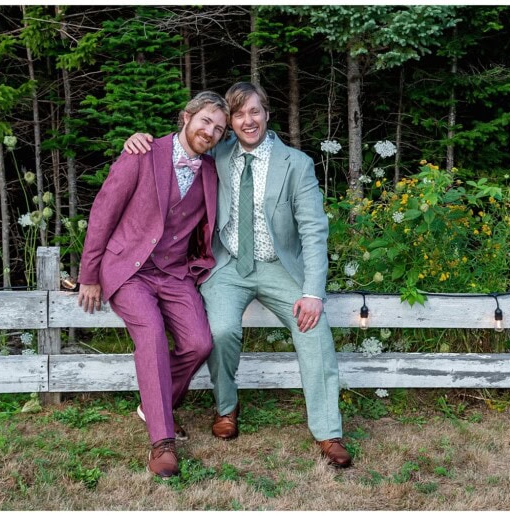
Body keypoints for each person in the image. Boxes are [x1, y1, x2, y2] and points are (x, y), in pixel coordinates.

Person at [123, 82, 351, 468]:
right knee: (220, 331)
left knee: (313, 331)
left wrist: (313, 292)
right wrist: (139, 140)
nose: (248, 121)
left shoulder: (295, 164)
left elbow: (314, 231)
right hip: (228, 265)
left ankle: (329, 432)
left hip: (280, 267)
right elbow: (179, 147)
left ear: (266, 114)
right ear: (231, 123)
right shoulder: (217, 156)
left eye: (255, 112)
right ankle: (226, 408)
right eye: (239, 114)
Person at [78, 91, 229, 479]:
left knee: (200, 342)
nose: (210, 131)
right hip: (130, 271)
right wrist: (89, 275)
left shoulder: (212, 171)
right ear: (186, 117)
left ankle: (154, 404)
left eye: (219, 128)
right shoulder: (142, 153)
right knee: (151, 334)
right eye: (205, 121)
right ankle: (162, 441)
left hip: (176, 273)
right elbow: (102, 213)